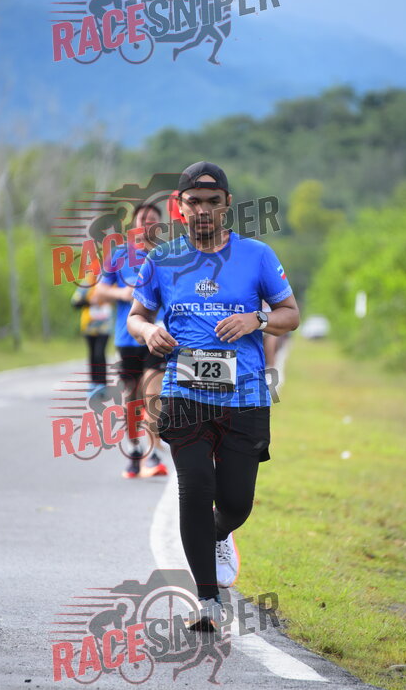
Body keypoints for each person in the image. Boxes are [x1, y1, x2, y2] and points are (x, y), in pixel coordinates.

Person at [127, 161, 300, 629]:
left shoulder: (257, 255)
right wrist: (149, 332)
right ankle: (207, 600)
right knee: (195, 486)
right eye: (194, 202)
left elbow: (290, 313)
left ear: (227, 205)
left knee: (237, 501)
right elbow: (136, 315)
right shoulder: (163, 260)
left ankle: (220, 533)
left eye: (212, 201)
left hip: (244, 395)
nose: (203, 210)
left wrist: (256, 319)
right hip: (183, 392)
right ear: (179, 207)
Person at [93, 203, 169, 480]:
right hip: (127, 337)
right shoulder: (119, 256)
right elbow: (99, 292)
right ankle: (134, 448)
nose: (147, 224)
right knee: (132, 397)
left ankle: (154, 452)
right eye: (142, 219)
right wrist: (122, 294)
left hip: (157, 336)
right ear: (134, 225)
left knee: (152, 394)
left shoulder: (168, 256)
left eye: (153, 220)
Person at [71, 264, 113, 395]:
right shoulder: (86, 285)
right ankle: (93, 383)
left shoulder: (108, 283)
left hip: (104, 326)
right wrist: (90, 301)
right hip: (89, 327)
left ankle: (102, 383)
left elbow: (116, 297)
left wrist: (103, 298)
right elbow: (75, 303)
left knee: (100, 353)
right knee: (92, 354)